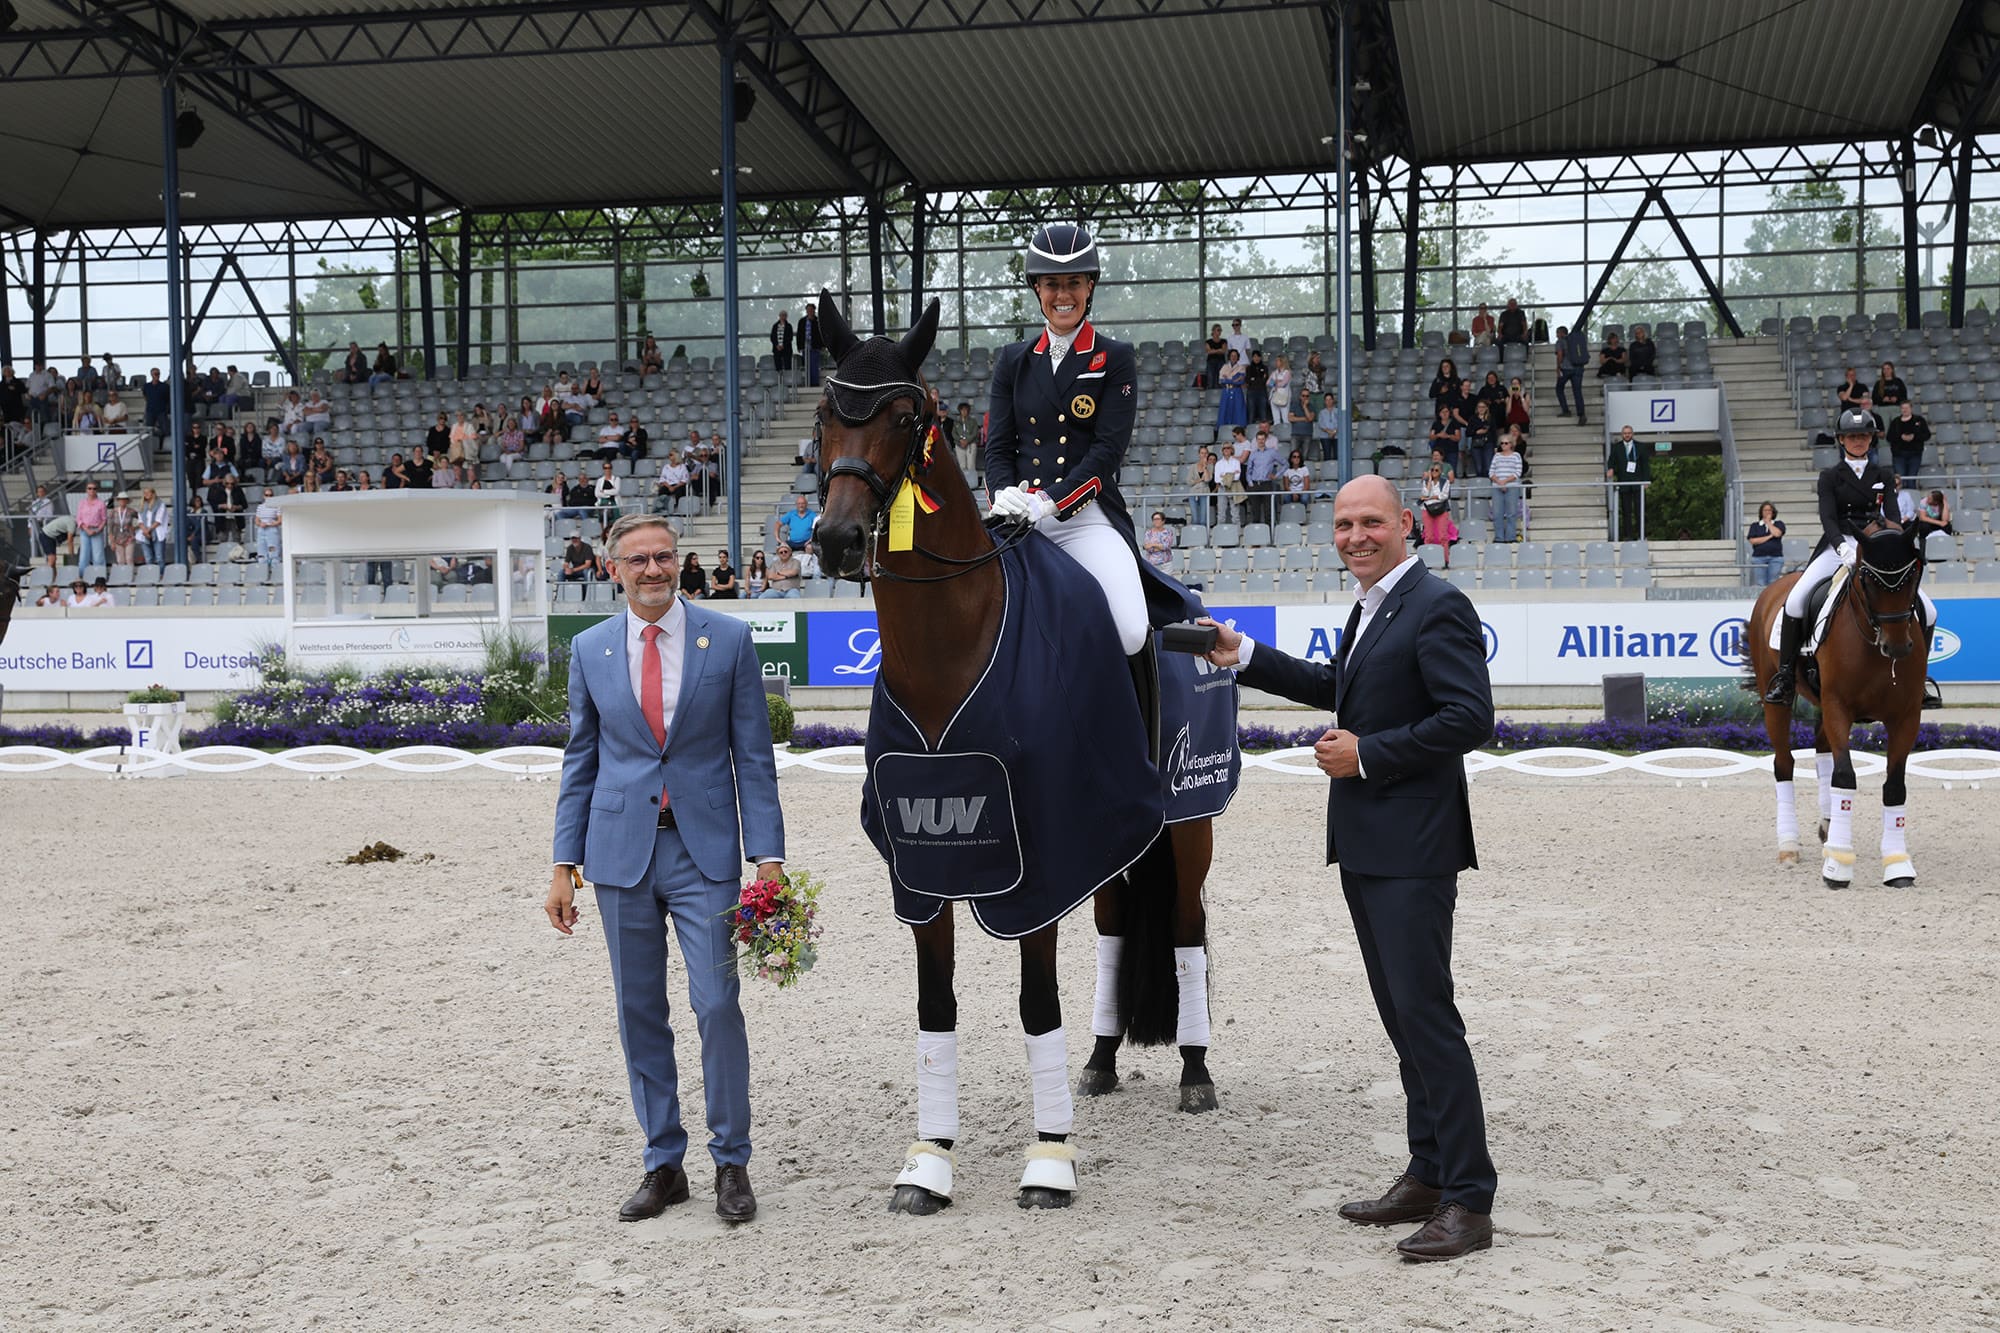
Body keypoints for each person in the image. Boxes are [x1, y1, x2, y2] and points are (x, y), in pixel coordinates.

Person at [1197, 474, 1498, 1263]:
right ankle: (1429, 1170)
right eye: (1342, 524)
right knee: (1403, 1020)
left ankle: (1471, 1195)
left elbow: (1470, 716)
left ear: (1408, 524)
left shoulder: (1438, 604)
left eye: (1369, 522)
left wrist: (1368, 755)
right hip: (1367, 840)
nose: (1354, 536)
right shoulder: (1369, 607)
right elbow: (1341, 688)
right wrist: (1247, 656)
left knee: (1428, 1019)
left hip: (1415, 843)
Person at [545, 513, 783, 1226]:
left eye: (664, 556)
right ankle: (664, 1162)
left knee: (716, 1003)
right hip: (619, 855)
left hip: (702, 849)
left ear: (681, 562)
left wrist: (766, 859)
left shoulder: (729, 639)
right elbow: (580, 760)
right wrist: (563, 862)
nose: (654, 569)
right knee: (638, 1010)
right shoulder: (588, 650)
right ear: (613, 568)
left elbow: (755, 757)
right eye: (639, 559)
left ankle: (731, 1160)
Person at [982, 221, 1150, 656]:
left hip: (1083, 518)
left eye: (1074, 283)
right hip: (1016, 522)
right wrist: (1003, 497)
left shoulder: (1115, 358)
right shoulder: (1012, 361)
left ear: (1089, 286)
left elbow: (1106, 453)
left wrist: (1049, 502)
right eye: (1052, 284)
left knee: (1132, 632)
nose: (1063, 295)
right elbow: (997, 448)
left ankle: (1139, 723)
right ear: (1037, 288)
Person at [1766, 408, 1906, 704]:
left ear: (1871, 439)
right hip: (1837, 546)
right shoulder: (1830, 476)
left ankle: (1919, 678)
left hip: (1875, 549)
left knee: (1927, 609)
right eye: (1852, 436)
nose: (1858, 441)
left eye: (1864, 436)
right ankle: (1787, 677)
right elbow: (1828, 517)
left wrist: (1890, 544)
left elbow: (1893, 516)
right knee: (1795, 600)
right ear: (1842, 440)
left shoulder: (1882, 475)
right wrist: (1842, 547)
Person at [1606, 424, 1649, 542]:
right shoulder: (1617, 447)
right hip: (1624, 483)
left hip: (1638, 483)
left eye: (1629, 433)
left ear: (1632, 434)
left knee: (1640, 510)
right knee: (1626, 511)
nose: (1627, 435)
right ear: (1622, 435)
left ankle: (1642, 534)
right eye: (1625, 433)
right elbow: (1611, 461)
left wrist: (1646, 481)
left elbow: (1645, 465)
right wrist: (1610, 469)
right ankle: (1628, 535)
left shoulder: (1640, 447)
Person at [1489, 431, 1526, 543]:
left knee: (1511, 513)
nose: (1503, 445)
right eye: (1502, 443)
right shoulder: (1496, 456)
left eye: (1506, 443)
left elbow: (1517, 473)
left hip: (1512, 486)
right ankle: (1499, 537)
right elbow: (1491, 472)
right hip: (1497, 487)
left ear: (1511, 444)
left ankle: (1511, 537)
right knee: (1497, 513)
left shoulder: (1516, 456)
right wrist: (1499, 482)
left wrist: (1504, 481)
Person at [1420, 462, 1457, 562]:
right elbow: (1425, 493)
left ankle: (1445, 560)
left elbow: (1444, 496)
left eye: (1436, 470)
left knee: (1442, 536)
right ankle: (1428, 560)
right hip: (1427, 508)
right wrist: (1429, 481)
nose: (1434, 472)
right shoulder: (1426, 481)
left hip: (1441, 509)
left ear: (1440, 471)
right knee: (1428, 536)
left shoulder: (1445, 482)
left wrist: (1431, 497)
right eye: (1432, 470)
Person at [1886, 400, 1931, 480]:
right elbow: (1889, 437)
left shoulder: (1919, 420)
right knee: (1900, 479)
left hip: (1915, 454)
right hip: (1898, 455)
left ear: (1911, 408)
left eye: (1907, 408)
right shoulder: (1895, 422)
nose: (1905, 410)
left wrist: (1914, 437)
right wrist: (1900, 437)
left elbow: (1927, 435)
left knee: (1911, 479)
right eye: (1903, 408)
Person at [1554, 324, 1589, 424]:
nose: (1557, 335)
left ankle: (1566, 410)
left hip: (1565, 369)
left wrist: (1558, 367)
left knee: (1559, 388)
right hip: (1578, 368)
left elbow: (1560, 354)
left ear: (1561, 333)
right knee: (1577, 391)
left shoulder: (1560, 341)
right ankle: (1581, 414)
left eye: (1557, 333)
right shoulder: (1575, 340)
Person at [1748, 503, 1786, 585]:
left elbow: (1777, 534)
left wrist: (1768, 523)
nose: (1767, 512)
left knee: (1773, 583)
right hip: (1759, 558)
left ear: (1773, 512)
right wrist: (1769, 536)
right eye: (1765, 510)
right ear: (1761, 512)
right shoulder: (1755, 525)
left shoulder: (1778, 524)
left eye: (1769, 510)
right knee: (1760, 582)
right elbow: (1753, 541)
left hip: (1775, 558)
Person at [75, 481, 109, 571]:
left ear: (97, 490)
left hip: (96, 531)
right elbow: (79, 519)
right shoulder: (82, 503)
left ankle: (99, 577)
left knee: (98, 556)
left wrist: (97, 530)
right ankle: (83, 577)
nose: (92, 490)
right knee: (83, 556)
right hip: (84, 530)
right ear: (86, 490)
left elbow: (104, 519)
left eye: (94, 488)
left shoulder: (101, 503)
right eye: (89, 488)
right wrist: (86, 529)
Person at [1215, 350, 1248, 435]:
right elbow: (1221, 380)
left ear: (1238, 358)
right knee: (1225, 410)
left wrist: (1228, 378)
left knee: (1238, 411)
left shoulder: (1241, 367)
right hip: (1226, 391)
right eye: (1232, 355)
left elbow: (1240, 381)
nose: (1233, 357)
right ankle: (1224, 433)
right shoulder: (1224, 367)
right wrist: (1234, 379)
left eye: (1235, 356)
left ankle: (1239, 432)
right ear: (1229, 357)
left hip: (1237, 392)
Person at [135, 487, 170, 567]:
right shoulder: (142, 505)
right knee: (148, 558)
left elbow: (158, 520)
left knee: (159, 557)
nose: (146, 494)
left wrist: (148, 530)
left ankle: (161, 575)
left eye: (148, 492)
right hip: (144, 533)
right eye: (144, 492)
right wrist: (144, 530)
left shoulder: (160, 504)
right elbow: (140, 521)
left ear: (153, 493)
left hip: (157, 532)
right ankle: (150, 574)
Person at [1212, 441, 1243, 526]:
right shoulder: (1218, 464)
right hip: (1222, 488)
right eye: (1224, 448)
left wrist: (1224, 476)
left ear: (1231, 450)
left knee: (1235, 513)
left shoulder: (1236, 462)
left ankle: (1237, 534)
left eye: (1228, 448)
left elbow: (1237, 477)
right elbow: (1217, 479)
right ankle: (1220, 534)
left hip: (1234, 488)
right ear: (1222, 450)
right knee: (1221, 513)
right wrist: (1231, 474)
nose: (1226, 450)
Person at [106, 492, 140, 566]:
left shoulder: (131, 511)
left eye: (124, 500)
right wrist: (112, 542)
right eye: (121, 500)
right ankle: (122, 576)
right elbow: (110, 528)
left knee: (129, 559)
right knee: (120, 560)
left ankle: (130, 575)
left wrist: (135, 527)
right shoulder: (113, 512)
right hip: (117, 538)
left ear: (127, 501)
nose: (122, 501)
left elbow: (141, 519)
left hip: (129, 537)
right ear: (118, 501)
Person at [253, 487, 283, 569]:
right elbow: (256, 520)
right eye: (267, 495)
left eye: (270, 495)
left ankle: (275, 572)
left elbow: (280, 520)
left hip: (272, 530)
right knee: (262, 553)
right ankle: (263, 573)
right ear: (264, 496)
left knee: (273, 552)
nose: (268, 497)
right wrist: (260, 524)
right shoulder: (260, 507)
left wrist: (272, 524)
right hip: (262, 530)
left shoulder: (277, 506)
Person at [799, 302, 822, 386]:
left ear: (814, 310)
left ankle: (815, 383)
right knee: (807, 365)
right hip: (805, 346)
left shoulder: (818, 321)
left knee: (814, 365)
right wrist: (799, 346)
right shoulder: (802, 321)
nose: (810, 311)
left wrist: (822, 345)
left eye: (811, 310)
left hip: (815, 346)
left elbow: (821, 334)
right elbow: (799, 334)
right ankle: (808, 382)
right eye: (808, 310)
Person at [1202, 323, 1227, 391]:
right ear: (1213, 331)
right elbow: (1209, 351)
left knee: (1220, 378)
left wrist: (1214, 350)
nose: (1219, 332)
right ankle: (1210, 393)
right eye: (1218, 330)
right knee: (1211, 378)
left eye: (1220, 330)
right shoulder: (1208, 341)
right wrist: (1218, 350)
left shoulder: (1223, 341)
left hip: (1221, 361)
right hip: (1211, 361)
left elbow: (1223, 351)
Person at [770, 310, 794, 377]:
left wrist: (783, 345)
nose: (783, 317)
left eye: (784, 315)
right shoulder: (775, 326)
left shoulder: (789, 326)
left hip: (786, 349)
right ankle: (779, 379)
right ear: (779, 316)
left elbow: (790, 338)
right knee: (778, 365)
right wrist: (777, 345)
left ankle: (788, 380)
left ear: (786, 317)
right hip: (777, 349)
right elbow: (772, 337)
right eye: (782, 315)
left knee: (787, 365)